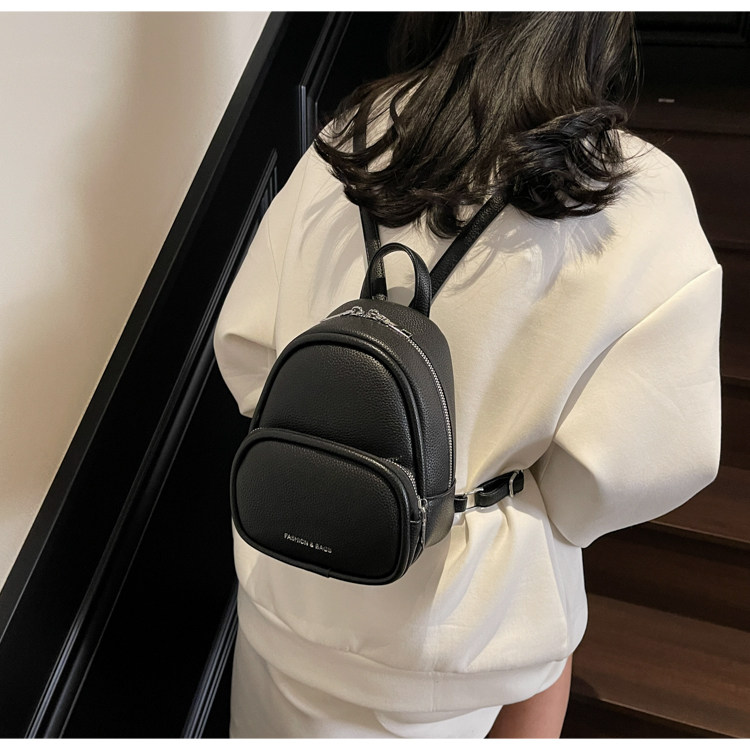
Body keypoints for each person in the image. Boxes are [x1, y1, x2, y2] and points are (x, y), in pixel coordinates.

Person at [213, 11, 722, 739]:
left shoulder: (351, 135)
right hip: (462, 626)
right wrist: (517, 508)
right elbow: (655, 460)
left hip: (289, 575)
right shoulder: (634, 193)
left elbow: (245, 351)